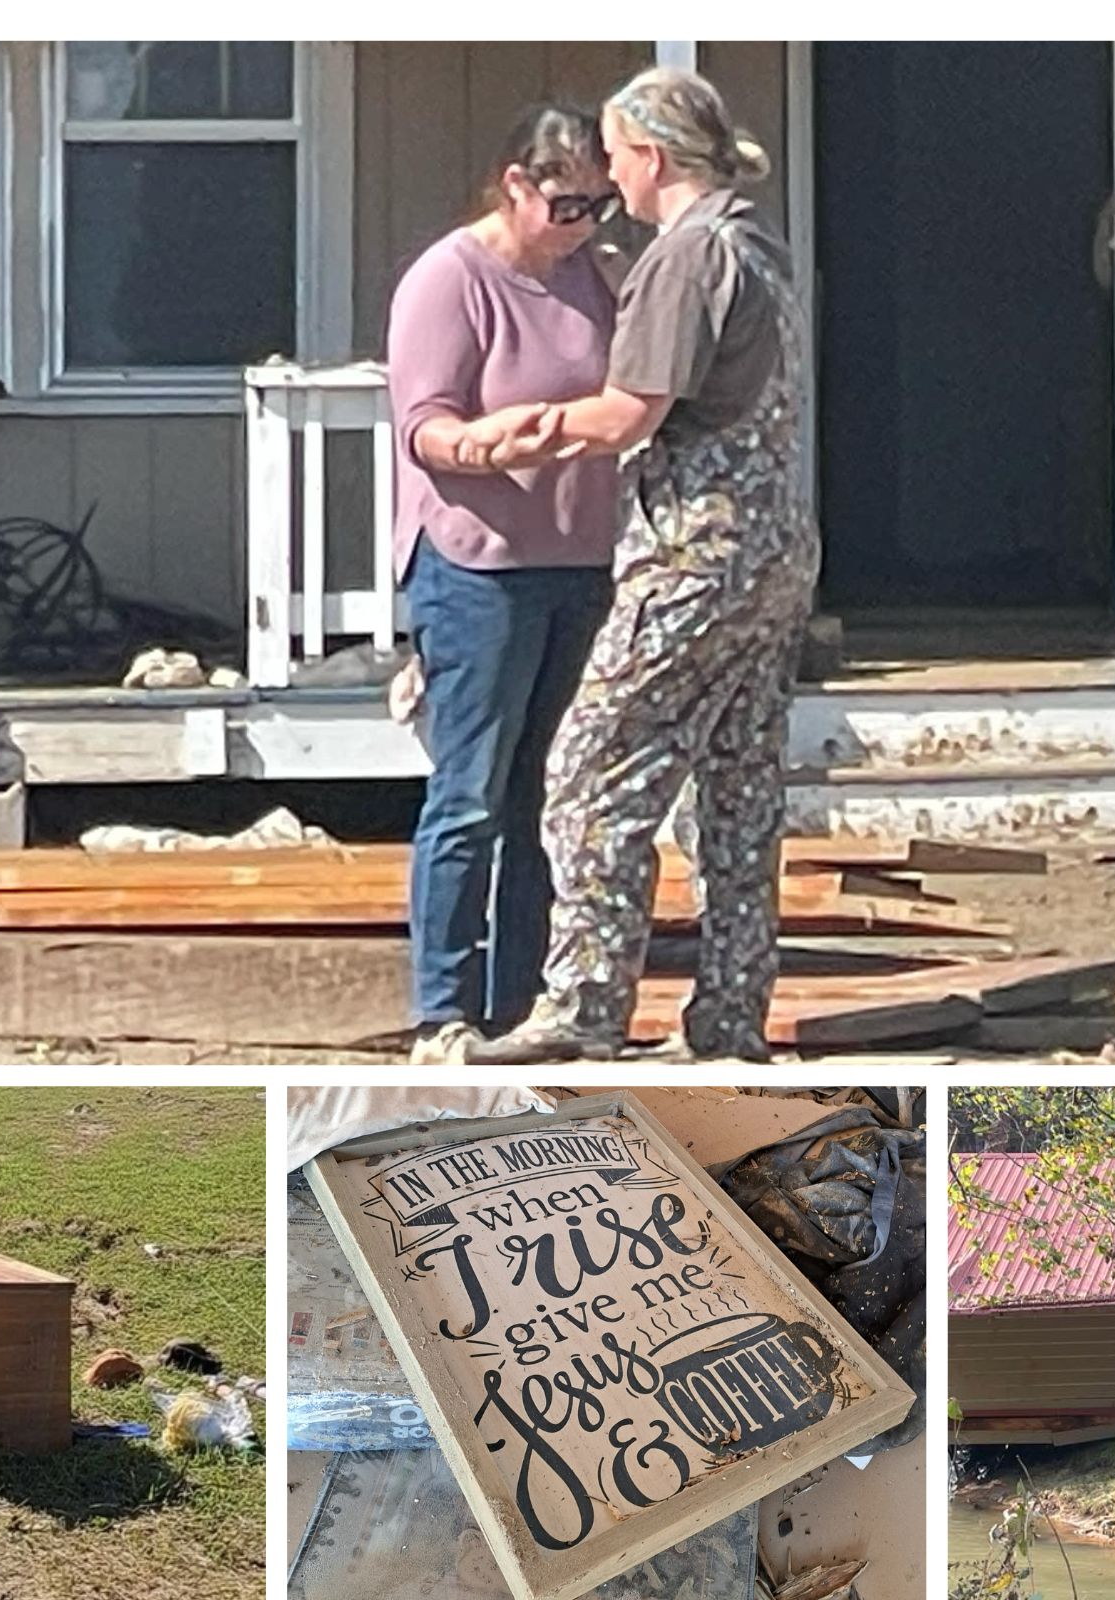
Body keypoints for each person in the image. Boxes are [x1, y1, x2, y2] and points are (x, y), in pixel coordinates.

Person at [455, 66, 820, 1063]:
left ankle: (580, 1008)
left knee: (584, 769)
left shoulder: (683, 258)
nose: (606, 175)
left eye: (613, 154)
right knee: (736, 787)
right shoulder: (758, 244)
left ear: (652, 156)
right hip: (777, 548)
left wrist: (522, 432)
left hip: (693, 552)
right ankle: (729, 1018)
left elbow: (629, 413)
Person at [386, 105, 625, 1064]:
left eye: (600, 205)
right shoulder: (451, 278)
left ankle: (523, 1004)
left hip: (579, 562)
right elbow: (423, 424)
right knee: (472, 791)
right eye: (566, 203)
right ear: (515, 184)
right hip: (476, 563)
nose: (583, 223)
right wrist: (484, 444)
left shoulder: (591, 279)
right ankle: (441, 1006)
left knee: (547, 793)